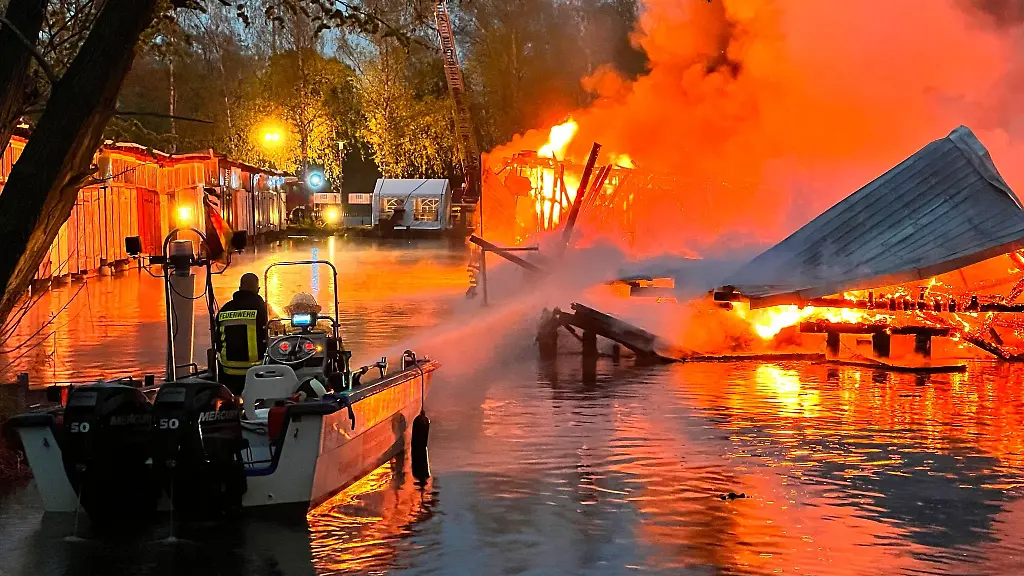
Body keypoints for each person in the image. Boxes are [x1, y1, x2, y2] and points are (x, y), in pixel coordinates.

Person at [216, 273, 269, 395]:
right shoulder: (262, 308)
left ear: (239, 288)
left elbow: (217, 341)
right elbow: (272, 331)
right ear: (257, 289)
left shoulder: (224, 309)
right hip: (255, 370)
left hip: (228, 371)